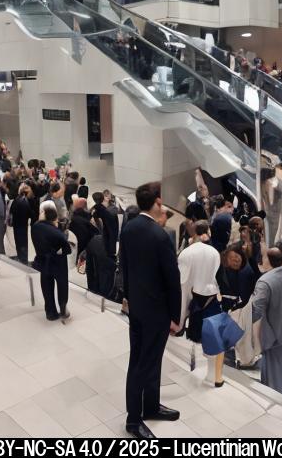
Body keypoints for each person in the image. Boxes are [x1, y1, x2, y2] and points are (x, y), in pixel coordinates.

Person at [119, 182, 181, 440]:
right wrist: (176, 317)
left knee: (149, 360)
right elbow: (172, 279)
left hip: (138, 308)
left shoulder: (129, 228)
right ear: (157, 202)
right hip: (156, 312)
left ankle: (151, 406)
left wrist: (128, 298)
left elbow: (124, 266)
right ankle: (133, 421)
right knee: (142, 365)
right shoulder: (161, 236)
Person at [177, 220, 223, 387]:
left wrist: (180, 319)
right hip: (212, 298)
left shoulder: (186, 254)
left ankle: (213, 376)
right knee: (214, 339)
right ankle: (214, 376)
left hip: (196, 299)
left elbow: (184, 286)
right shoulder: (214, 252)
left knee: (202, 338)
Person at [251, 246, 282, 397]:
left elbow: (256, 311)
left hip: (274, 337)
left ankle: (279, 410)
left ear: (268, 259)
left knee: (274, 383)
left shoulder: (265, 281)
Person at [32, 205, 71, 320]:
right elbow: (67, 249)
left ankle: (50, 312)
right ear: (55, 219)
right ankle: (63, 308)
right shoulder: (56, 233)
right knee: (62, 285)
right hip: (58, 263)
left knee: (47, 287)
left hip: (43, 262)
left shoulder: (35, 227)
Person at [10, 183, 36, 264]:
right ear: (26, 192)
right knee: (23, 244)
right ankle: (23, 261)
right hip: (22, 226)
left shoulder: (16, 199)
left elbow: (11, 210)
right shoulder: (25, 201)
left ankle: (20, 258)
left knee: (18, 242)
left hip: (16, 224)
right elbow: (31, 215)